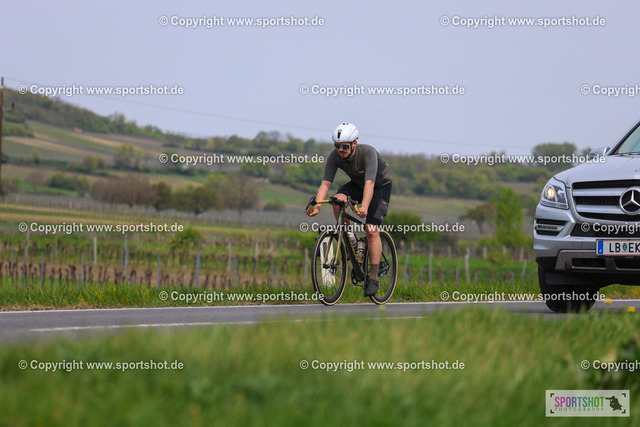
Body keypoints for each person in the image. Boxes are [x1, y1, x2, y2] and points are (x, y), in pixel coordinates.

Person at [307, 122, 392, 296]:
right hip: (357, 185)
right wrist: (317, 205)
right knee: (337, 200)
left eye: (345, 146)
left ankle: (373, 278)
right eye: (337, 145)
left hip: (379, 187)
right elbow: (326, 183)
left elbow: (370, 183)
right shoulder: (335, 156)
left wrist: (365, 207)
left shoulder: (368, 153)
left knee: (371, 229)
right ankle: (350, 239)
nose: (341, 150)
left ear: (354, 143)